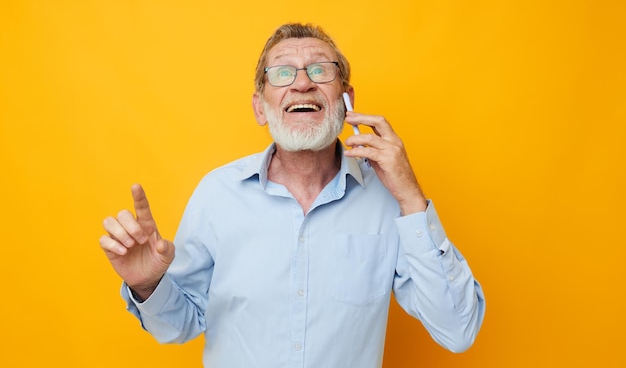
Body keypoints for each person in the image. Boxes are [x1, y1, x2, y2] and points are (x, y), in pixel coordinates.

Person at [100, 23, 486, 367]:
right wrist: (147, 286)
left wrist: (412, 200)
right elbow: (179, 326)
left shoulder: (388, 199)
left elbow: (459, 329)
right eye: (283, 73)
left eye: (320, 70)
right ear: (260, 107)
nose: (302, 83)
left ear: (347, 99)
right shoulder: (218, 194)